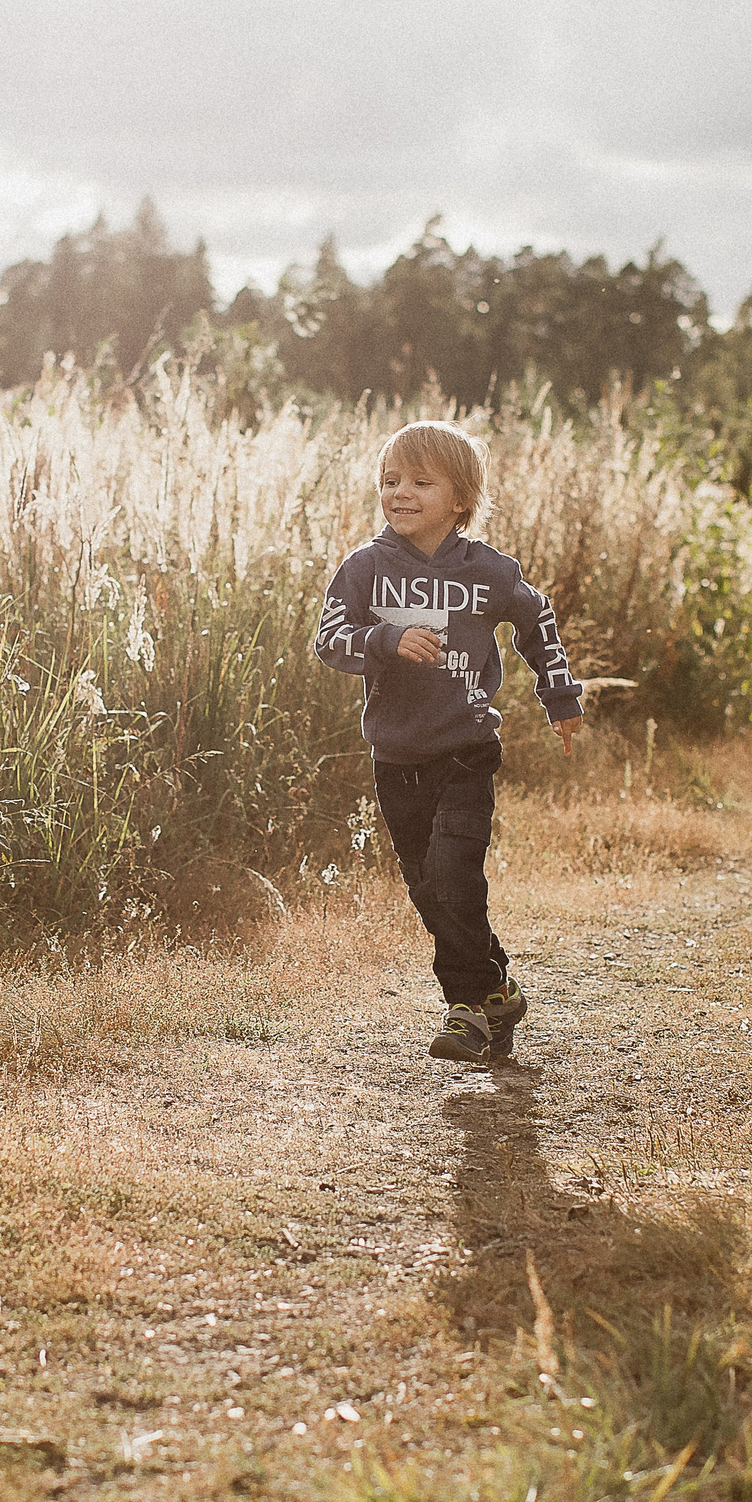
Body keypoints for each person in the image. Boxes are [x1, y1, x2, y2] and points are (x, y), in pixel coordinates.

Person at [313, 420, 584, 1064]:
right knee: (427, 888)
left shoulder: (489, 572)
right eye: (390, 481)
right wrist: (385, 640)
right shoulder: (365, 568)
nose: (400, 493)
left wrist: (560, 696)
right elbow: (329, 640)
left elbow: (537, 621)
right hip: (396, 757)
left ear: (461, 498)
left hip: (466, 751)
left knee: (452, 875)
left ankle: (465, 1008)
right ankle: (496, 989)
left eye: (420, 482)